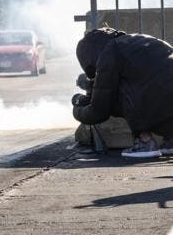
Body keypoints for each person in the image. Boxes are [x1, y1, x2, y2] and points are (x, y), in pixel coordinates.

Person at [72, 27, 173, 158]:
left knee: (114, 97)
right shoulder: (142, 39)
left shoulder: (110, 52)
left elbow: (98, 111)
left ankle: (144, 141)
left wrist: (77, 107)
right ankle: (171, 140)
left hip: (155, 100)